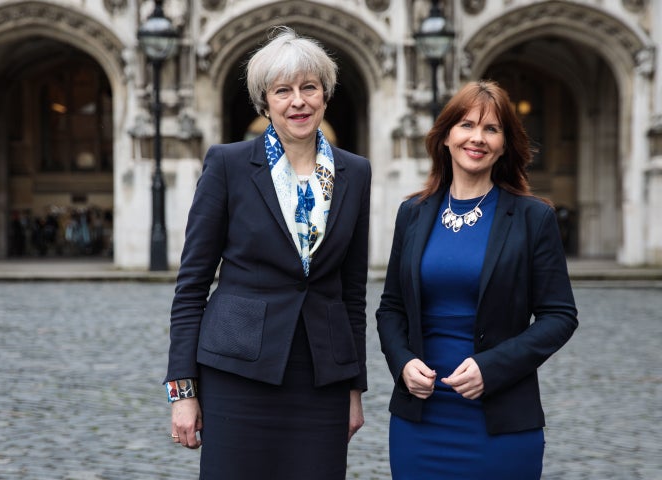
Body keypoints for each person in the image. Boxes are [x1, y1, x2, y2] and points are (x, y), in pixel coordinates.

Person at [164, 26, 371, 480]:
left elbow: (353, 292)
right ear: (266, 101)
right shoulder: (228, 164)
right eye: (284, 91)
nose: (298, 101)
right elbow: (192, 284)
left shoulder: (355, 172)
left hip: (322, 376)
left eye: (309, 88)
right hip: (237, 374)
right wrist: (182, 393)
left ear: (325, 94)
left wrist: (355, 388)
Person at [376, 80, 578, 479]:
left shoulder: (533, 217)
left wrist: (492, 368)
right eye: (467, 125)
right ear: (446, 136)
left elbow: (560, 317)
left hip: (501, 421)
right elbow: (391, 308)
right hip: (421, 419)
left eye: (492, 129)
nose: (478, 138)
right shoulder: (412, 214)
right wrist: (402, 363)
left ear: (505, 144)